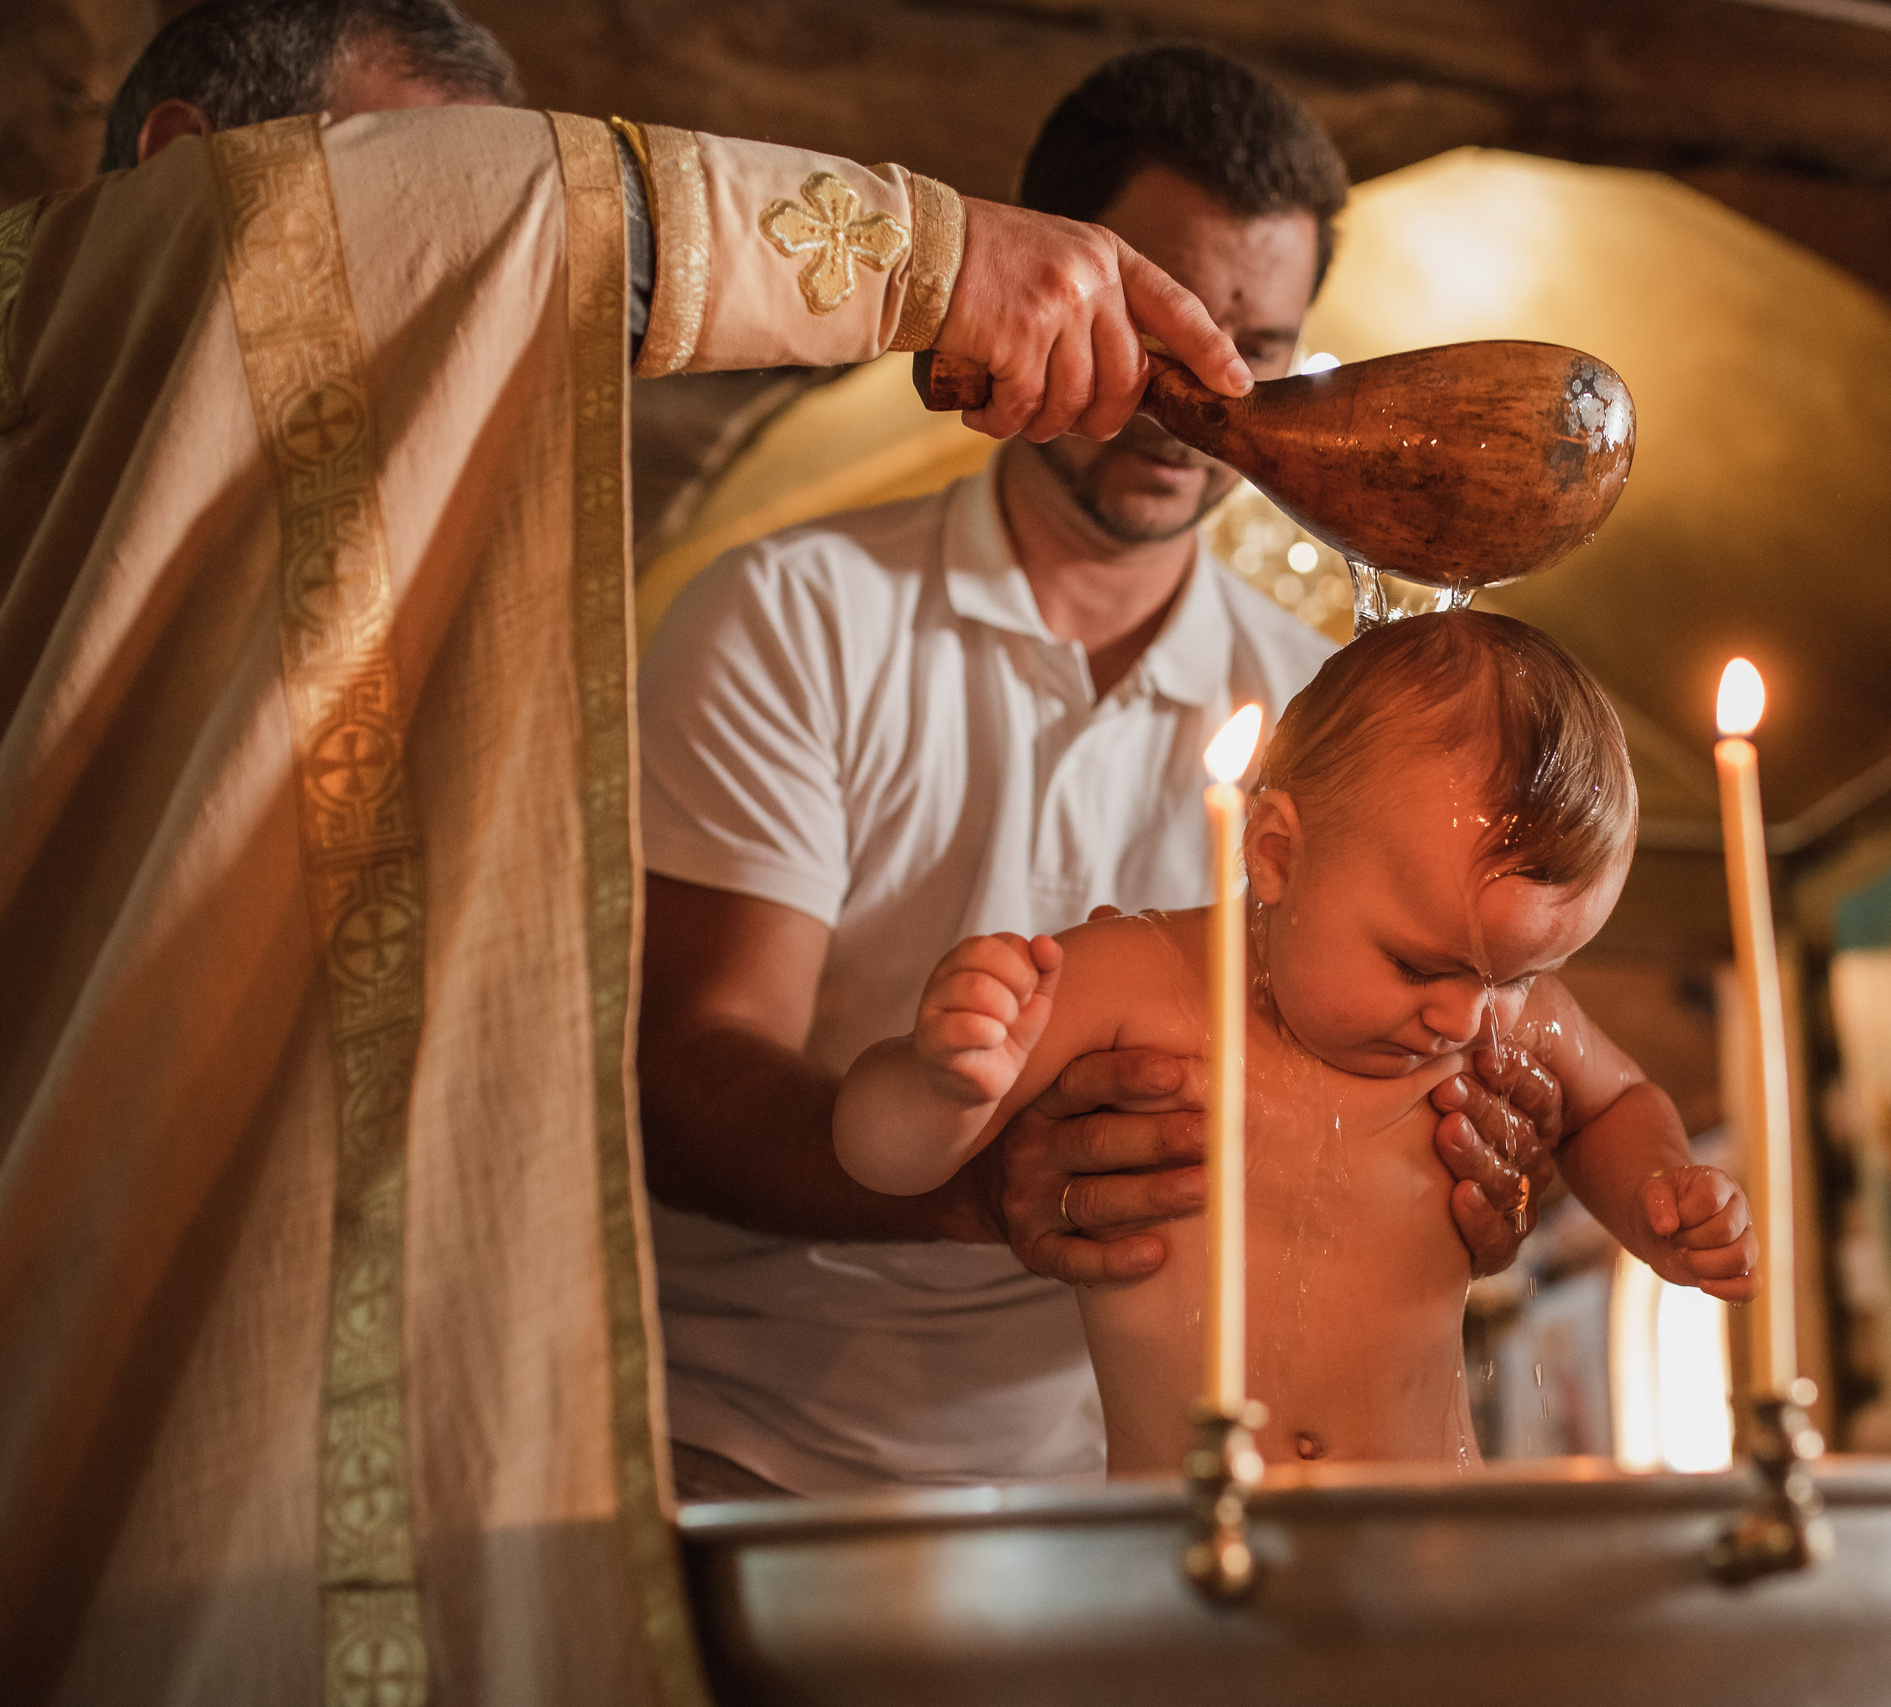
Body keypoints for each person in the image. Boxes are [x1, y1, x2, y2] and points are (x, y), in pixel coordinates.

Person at [0, 1, 1268, 1700]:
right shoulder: (74, 347)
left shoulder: (316, 522)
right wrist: (932, 256)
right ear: (182, 181)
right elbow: (694, 1063)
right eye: (435, 238)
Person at [636, 44, 1560, 1501]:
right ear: (1051, 290)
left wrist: (1470, 1165)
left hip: (1160, 1469)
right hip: (770, 1438)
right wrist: (977, 1189)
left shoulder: (1328, 692)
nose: (1208, 395)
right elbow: (685, 1076)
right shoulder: (796, 612)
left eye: (1259, 347)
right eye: (1162, 326)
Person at [835, 611, 1758, 1470]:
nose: (1468, 1021)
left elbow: (1616, 1104)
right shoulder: (1131, 980)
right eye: (1416, 965)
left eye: (1514, 977)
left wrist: (1658, 1195)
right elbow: (880, 1156)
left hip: (1427, 1529)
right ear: (1275, 853)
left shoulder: (1504, 1016)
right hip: (1188, 1538)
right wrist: (945, 1079)